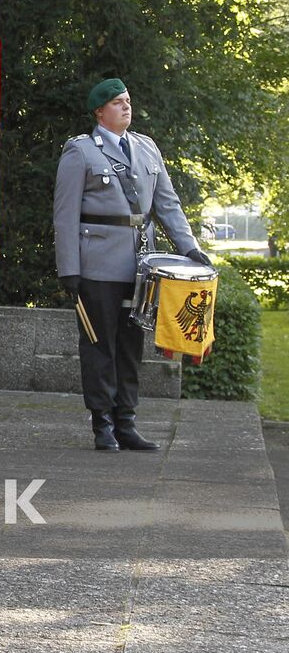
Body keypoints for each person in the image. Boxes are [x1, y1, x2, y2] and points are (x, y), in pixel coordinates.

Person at [53, 78, 211, 453]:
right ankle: (102, 425)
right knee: (99, 345)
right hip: (96, 266)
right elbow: (65, 215)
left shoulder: (146, 148)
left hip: (140, 269)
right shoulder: (80, 152)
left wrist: (190, 248)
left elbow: (168, 205)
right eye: (117, 102)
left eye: (128, 100)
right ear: (99, 111)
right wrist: (68, 269)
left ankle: (127, 423)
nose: (126, 107)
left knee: (130, 345)